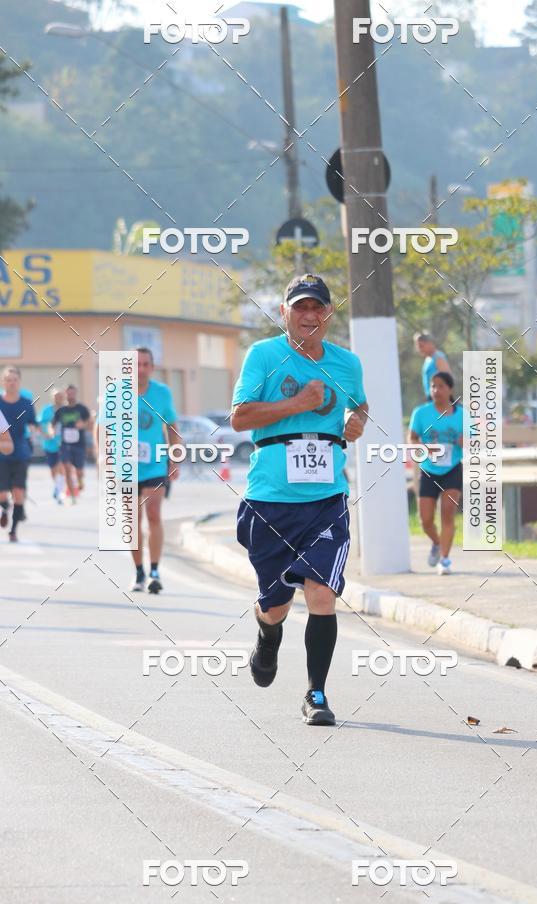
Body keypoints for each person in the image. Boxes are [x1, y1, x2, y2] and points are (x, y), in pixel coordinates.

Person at [231, 274, 368, 727]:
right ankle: (268, 637)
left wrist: (353, 420)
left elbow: (359, 404)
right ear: (286, 313)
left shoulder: (347, 363)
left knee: (323, 593)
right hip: (270, 500)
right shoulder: (264, 356)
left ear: (328, 314)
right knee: (275, 607)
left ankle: (316, 693)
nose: (310, 316)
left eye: (318, 308)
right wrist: (299, 404)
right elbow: (240, 417)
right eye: (300, 308)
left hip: (327, 497)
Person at [132, 347, 179, 594]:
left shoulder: (162, 393)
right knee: (131, 521)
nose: (140, 368)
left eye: (145, 364)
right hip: (125, 466)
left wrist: (175, 458)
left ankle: (154, 571)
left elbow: (172, 427)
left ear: (151, 367)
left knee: (153, 514)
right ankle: (138, 572)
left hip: (155, 464)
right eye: (135, 363)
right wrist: (102, 457)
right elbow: (103, 428)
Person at [409, 371, 463, 576]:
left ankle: (445, 559)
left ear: (450, 389)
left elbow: (476, 438)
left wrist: (466, 441)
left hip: (452, 468)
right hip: (429, 469)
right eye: (433, 386)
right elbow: (412, 438)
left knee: (448, 512)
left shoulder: (462, 415)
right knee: (425, 520)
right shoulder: (421, 413)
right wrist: (422, 446)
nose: (436, 390)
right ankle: (437, 542)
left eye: (441, 386)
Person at [0, 366, 39, 542]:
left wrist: (34, 430)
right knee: (2, 494)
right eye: (8, 379)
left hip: (21, 453)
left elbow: (33, 423)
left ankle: (13, 530)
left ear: (19, 382)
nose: (11, 382)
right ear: (3, 382)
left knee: (18, 491)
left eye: (14, 379)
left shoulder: (26, 403)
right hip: (1, 455)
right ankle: (4, 509)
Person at [52, 385, 91, 504]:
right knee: (67, 469)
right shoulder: (61, 410)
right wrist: (51, 431)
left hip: (79, 444)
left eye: (73, 393)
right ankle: (73, 496)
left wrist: (83, 425)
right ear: (66, 394)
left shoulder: (82, 409)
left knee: (79, 470)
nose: (71, 396)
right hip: (65, 444)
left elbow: (90, 424)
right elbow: (52, 423)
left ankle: (80, 479)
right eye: (69, 394)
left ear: (76, 394)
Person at [39, 388, 66, 503]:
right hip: (49, 443)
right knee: (53, 468)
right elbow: (39, 424)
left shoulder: (66, 410)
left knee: (61, 466)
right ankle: (57, 486)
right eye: (56, 396)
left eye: (60, 396)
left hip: (64, 443)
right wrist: (45, 434)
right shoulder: (46, 410)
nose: (58, 398)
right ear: (52, 397)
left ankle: (59, 490)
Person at [414, 332, 452, 400]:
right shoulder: (427, 360)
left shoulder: (438, 357)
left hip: (441, 399)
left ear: (429, 343)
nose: (419, 349)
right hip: (432, 398)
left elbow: (448, 380)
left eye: (421, 346)